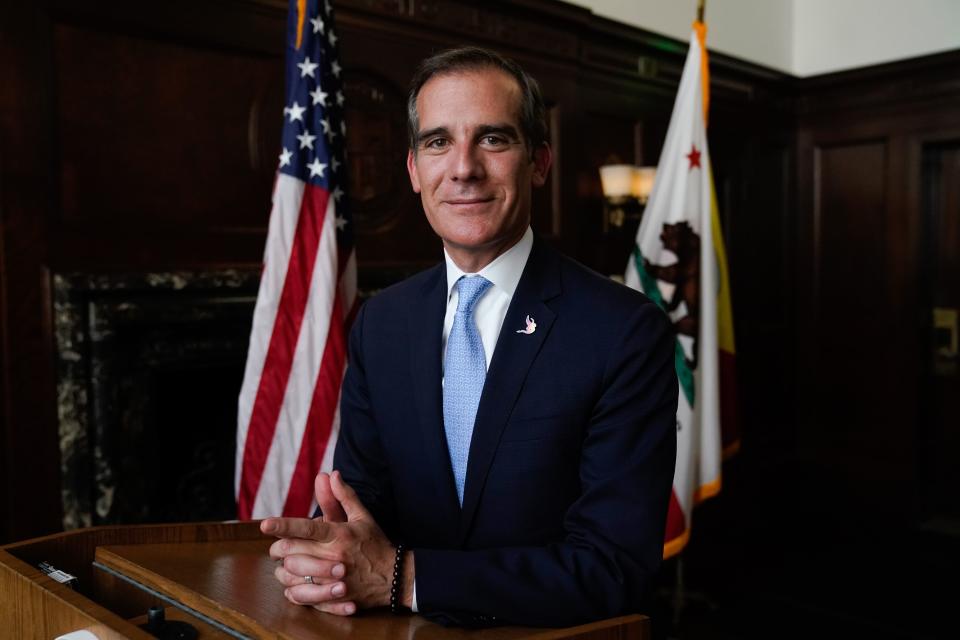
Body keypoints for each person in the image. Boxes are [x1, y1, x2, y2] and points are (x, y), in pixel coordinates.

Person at [260, 46, 678, 628]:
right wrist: (326, 553)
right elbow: (363, 508)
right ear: (413, 170)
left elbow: (614, 568)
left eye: (493, 139)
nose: (463, 168)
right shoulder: (382, 323)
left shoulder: (625, 332)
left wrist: (404, 578)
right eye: (437, 142)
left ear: (538, 161)